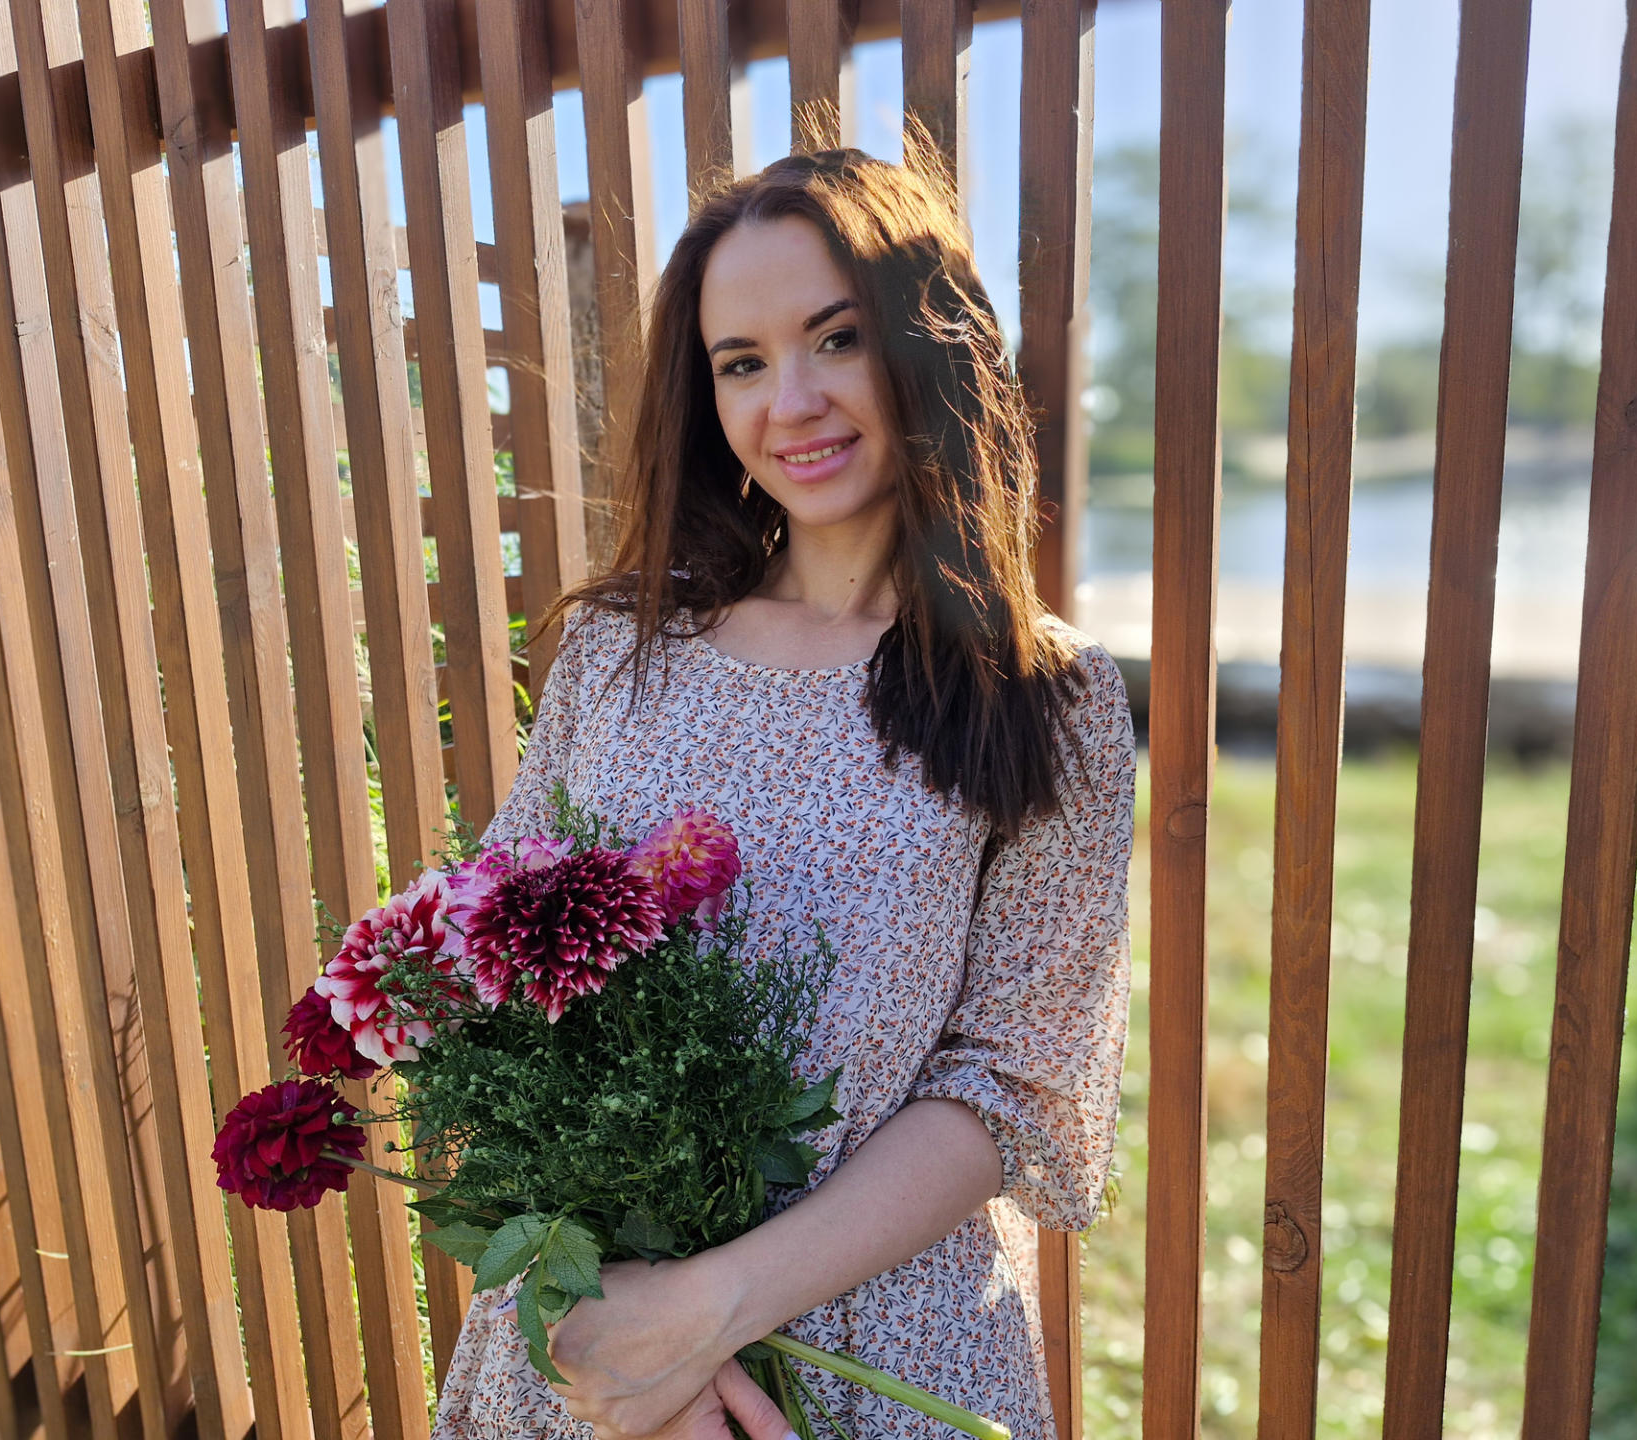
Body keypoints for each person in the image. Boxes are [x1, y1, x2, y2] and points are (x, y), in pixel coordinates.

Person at [430, 145, 1135, 1440]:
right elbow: (498, 966)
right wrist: (640, 1347)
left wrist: (709, 1311)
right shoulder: (623, 651)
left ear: (929, 345)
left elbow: (1009, 1085)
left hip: (886, 1345)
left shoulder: (1042, 696)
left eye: (836, 339)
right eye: (742, 362)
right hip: (603, 1342)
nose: (792, 402)